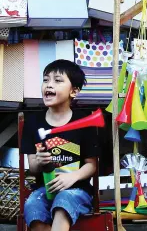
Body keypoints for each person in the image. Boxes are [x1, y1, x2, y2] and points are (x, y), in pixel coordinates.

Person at [21, 60, 100, 231]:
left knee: (63, 201)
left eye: (57, 80)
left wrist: (72, 177)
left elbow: (91, 165)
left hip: (78, 191)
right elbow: (33, 167)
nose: (49, 85)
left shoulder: (84, 122)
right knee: (32, 206)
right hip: (43, 189)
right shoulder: (33, 122)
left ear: (74, 91)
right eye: (46, 80)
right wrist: (40, 162)